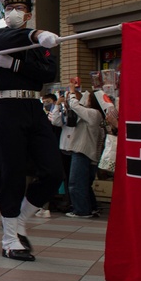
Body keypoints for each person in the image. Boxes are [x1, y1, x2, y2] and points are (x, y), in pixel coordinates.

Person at [0, 0, 63, 261]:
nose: (13, 13)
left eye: (19, 8)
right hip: (8, 108)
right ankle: (9, 238)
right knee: (13, 171)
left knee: (53, 171)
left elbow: (46, 73)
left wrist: (15, 64)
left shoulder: (38, 42)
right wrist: (35, 36)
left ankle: (20, 219)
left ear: (28, 14)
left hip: (34, 107)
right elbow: (1, 42)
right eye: (9, 9)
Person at [53, 88, 104, 218]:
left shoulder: (94, 113)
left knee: (76, 183)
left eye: (87, 98)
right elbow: (57, 121)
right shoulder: (83, 114)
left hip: (84, 151)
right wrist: (59, 105)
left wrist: (71, 93)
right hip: (78, 150)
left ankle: (81, 210)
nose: (84, 99)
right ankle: (90, 208)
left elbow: (76, 105)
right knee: (84, 183)